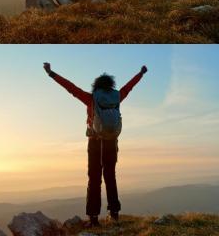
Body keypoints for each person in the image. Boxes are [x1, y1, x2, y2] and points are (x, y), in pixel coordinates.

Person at [43, 62, 147, 227]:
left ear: (96, 86)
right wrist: (141, 74)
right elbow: (129, 87)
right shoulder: (117, 97)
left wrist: (51, 73)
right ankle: (114, 214)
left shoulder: (91, 99)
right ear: (111, 85)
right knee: (110, 177)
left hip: (95, 143)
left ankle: (93, 218)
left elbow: (71, 88)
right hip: (111, 142)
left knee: (94, 179)